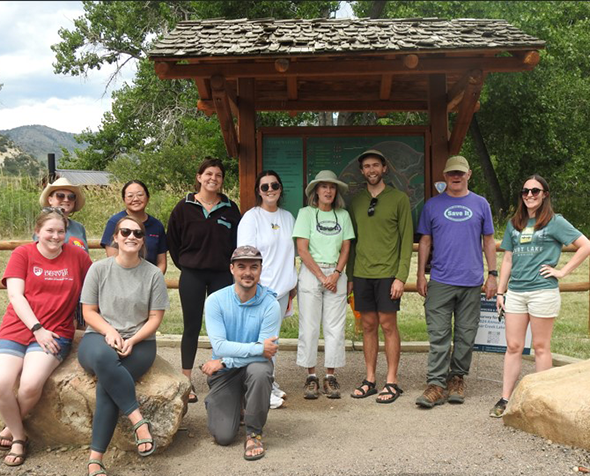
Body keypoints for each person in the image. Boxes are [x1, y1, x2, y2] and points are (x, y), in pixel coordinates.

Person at [489, 175, 590, 418]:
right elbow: (508, 260)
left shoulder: (555, 222)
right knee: (513, 346)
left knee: (541, 347)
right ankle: (506, 398)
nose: (530, 195)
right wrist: (501, 292)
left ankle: (541, 399)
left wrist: (562, 271)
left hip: (542, 292)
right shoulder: (515, 223)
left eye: (535, 191)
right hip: (516, 293)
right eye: (525, 191)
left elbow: (585, 245)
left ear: (545, 194)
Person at [78, 216, 169, 476]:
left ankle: (95, 458)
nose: (131, 236)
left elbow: (155, 318)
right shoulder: (99, 269)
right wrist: (110, 332)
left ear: (143, 241)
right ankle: (139, 422)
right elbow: (89, 311)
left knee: (107, 387)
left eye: (137, 233)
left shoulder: (153, 274)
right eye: (125, 232)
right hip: (98, 337)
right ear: (115, 237)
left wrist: (131, 339)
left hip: (139, 342)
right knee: (106, 361)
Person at [0, 208, 91, 467]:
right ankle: (19, 436)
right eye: (49, 230)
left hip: (57, 331)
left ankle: (10, 428)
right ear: (37, 231)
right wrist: (36, 328)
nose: (55, 236)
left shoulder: (77, 256)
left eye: (60, 231)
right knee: (2, 382)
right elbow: (16, 296)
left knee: (29, 384)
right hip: (19, 327)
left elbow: (97, 282)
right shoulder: (23, 254)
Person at [416, 155, 497, 408]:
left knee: (465, 334)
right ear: (445, 175)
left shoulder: (481, 204)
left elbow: (488, 241)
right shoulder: (432, 205)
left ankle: (457, 379)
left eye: (460, 173)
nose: (456, 176)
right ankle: (436, 384)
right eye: (451, 173)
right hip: (440, 280)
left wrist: (492, 275)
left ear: (469, 174)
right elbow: (425, 242)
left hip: (472, 280)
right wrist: (420, 275)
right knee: (438, 334)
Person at [167, 157, 241, 404]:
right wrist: (187, 265)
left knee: (223, 327)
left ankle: (223, 376)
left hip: (222, 275)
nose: (213, 179)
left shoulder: (231, 208)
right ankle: (186, 382)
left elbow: (236, 244)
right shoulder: (184, 207)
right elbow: (173, 242)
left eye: (218, 175)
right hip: (193, 275)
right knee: (191, 327)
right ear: (199, 177)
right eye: (208, 174)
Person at [201, 245, 281, 461]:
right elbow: (219, 346)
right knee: (224, 436)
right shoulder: (215, 301)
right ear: (232, 269)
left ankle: (254, 433)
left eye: (254, 267)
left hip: (244, 367)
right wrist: (257, 348)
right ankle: (233, 404)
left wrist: (225, 361)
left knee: (260, 372)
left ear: (260, 270)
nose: (248, 272)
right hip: (226, 372)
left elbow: (268, 353)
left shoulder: (270, 304)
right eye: (241, 266)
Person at [347, 150, 414, 403]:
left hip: (388, 274)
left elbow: (406, 239)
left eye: (376, 165)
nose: (371, 170)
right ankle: (370, 379)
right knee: (367, 326)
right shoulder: (356, 201)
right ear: (362, 171)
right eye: (367, 166)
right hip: (362, 274)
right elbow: (352, 242)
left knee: (388, 326)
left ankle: (392, 381)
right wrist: (351, 276)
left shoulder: (399, 199)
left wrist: (400, 276)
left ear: (384, 168)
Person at [237, 170, 297, 410]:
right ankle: (258, 389)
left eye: (274, 185)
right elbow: (244, 255)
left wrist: (292, 285)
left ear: (280, 189)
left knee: (272, 341)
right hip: (260, 290)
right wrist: (251, 287)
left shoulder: (288, 217)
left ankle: (268, 382)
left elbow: (290, 254)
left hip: (282, 291)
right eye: (264, 187)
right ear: (258, 191)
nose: (270, 190)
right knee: (261, 340)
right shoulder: (251, 218)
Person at [292, 170, 355, 399]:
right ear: (316, 191)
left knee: (334, 327)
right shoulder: (306, 214)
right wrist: (321, 276)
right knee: (309, 327)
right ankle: (311, 376)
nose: (328, 191)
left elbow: (346, 247)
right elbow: (302, 248)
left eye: (332, 187)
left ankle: (330, 376)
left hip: (336, 273)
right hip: (312, 273)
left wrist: (336, 274)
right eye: (323, 187)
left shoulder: (343, 215)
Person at [100, 180, 167, 274]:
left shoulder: (157, 225)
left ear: (148, 197)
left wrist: (153, 281)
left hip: (150, 280)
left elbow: (161, 263)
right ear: (124, 199)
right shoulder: (115, 222)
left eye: (140, 195)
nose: (135, 199)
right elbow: (113, 259)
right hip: (122, 279)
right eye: (130, 196)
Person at [39, 177, 88, 251]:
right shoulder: (43, 225)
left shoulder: (79, 228)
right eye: (60, 196)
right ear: (50, 200)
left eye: (71, 197)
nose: (66, 200)